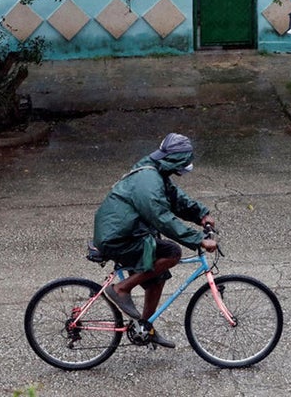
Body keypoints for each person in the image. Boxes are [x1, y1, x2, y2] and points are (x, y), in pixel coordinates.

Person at [93, 133, 217, 348]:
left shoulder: (156, 172)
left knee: (158, 278)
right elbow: (160, 216)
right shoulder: (148, 180)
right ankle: (120, 289)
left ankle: (145, 327)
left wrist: (201, 215)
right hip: (120, 238)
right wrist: (197, 239)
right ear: (174, 161)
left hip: (130, 233)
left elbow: (175, 197)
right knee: (172, 253)